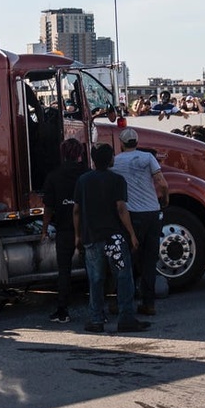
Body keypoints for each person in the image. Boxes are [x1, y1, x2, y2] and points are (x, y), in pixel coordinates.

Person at [73, 143, 148, 334]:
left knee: (96, 279)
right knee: (123, 277)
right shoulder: (117, 179)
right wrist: (131, 234)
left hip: (92, 237)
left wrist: (78, 235)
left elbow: (76, 211)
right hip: (114, 238)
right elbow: (121, 208)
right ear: (111, 160)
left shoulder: (83, 180)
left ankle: (96, 320)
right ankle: (126, 318)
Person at [112, 127, 168, 316]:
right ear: (136, 142)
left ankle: (125, 300)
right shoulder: (148, 158)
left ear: (121, 143)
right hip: (152, 212)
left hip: (132, 215)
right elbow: (161, 182)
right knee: (149, 260)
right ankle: (148, 303)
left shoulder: (116, 162)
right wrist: (164, 199)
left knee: (128, 259)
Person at [41, 138, 87, 323]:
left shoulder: (54, 176)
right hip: (87, 228)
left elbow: (48, 208)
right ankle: (98, 310)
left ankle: (62, 310)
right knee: (94, 269)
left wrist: (44, 230)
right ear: (79, 154)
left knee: (64, 271)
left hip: (64, 229)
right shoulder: (87, 174)